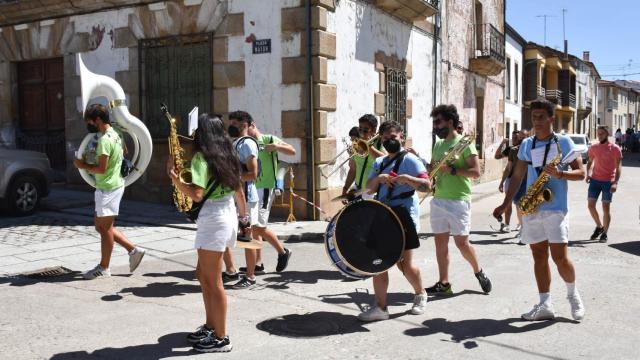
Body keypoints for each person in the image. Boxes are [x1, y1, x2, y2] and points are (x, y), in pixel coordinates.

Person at [493, 99, 586, 321]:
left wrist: (560, 174)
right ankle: (545, 304)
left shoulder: (564, 142)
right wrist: (506, 203)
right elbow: (517, 176)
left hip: (556, 208)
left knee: (560, 257)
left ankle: (573, 296)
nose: (537, 121)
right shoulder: (527, 145)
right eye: (534, 117)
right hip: (533, 206)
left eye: (541, 117)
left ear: (551, 119)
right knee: (538, 256)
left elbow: (582, 174)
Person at [167, 113, 245, 353]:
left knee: (214, 281)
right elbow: (238, 189)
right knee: (203, 275)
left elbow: (197, 195)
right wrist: (245, 220)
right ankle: (212, 326)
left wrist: (174, 178)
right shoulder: (229, 154)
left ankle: (222, 338)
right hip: (226, 215)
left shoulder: (202, 158)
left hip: (213, 219)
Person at [358, 120, 431, 321]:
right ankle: (381, 308)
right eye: (385, 138)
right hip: (383, 215)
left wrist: (408, 179)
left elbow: (427, 185)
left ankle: (420, 294)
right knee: (378, 263)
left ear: (401, 136)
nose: (389, 140)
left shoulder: (411, 160)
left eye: (393, 137)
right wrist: (378, 179)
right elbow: (369, 188)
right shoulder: (379, 162)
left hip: (404, 216)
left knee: (405, 265)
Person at [73, 104, 145, 280]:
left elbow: (102, 169)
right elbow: (124, 152)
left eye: (90, 121)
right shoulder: (117, 134)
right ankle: (133, 250)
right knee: (102, 226)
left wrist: (83, 165)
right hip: (111, 186)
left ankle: (104, 267)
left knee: (104, 228)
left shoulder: (105, 140)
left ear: (97, 120)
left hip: (108, 187)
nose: (89, 124)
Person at [426, 104, 492, 296]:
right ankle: (444, 283)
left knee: (462, 243)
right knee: (440, 244)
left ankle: (478, 271)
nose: (436, 126)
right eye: (434, 123)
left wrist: (452, 170)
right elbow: (432, 168)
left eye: (438, 122)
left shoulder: (464, 143)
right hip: (439, 199)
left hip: (458, 200)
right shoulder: (438, 145)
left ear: (450, 122)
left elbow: (476, 172)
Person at [242, 121, 296, 274]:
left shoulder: (268, 139)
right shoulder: (247, 143)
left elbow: (292, 151)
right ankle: (258, 264)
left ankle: (282, 251)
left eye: (244, 127)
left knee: (258, 227)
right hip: (253, 188)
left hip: (266, 187)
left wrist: (277, 147)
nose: (243, 131)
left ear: (252, 125)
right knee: (254, 225)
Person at [225, 111, 261, 289]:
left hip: (246, 196)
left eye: (234, 123)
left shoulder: (246, 144)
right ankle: (232, 271)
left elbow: (253, 174)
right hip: (236, 195)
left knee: (248, 239)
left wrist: (231, 177)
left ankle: (251, 276)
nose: (231, 126)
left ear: (244, 125)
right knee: (230, 236)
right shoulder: (237, 143)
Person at [586, 126, 622, 243]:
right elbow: (590, 162)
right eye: (598, 133)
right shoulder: (594, 147)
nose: (599, 135)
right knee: (590, 205)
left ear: (607, 134)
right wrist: (588, 173)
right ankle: (599, 226)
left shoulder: (615, 148)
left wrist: (615, 182)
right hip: (595, 181)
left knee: (605, 208)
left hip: (608, 182)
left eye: (602, 133)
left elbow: (619, 167)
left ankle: (605, 233)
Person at [342, 114, 385, 200]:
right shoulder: (356, 144)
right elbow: (353, 170)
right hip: (357, 189)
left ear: (374, 130)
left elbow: (385, 160)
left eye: (365, 130)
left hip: (372, 192)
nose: (361, 133)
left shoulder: (380, 143)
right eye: (360, 129)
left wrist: (369, 146)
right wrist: (345, 188)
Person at [496, 129, 529, 237]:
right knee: (511, 203)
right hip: (513, 180)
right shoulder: (512, 150)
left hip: (527, 181)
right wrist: (502, 182)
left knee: (520, 205)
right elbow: (508, 168)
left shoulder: (532, 148)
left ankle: (523, 227)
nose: (518, 139)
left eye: (522, 137)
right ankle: (508, 224)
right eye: (517, 137)